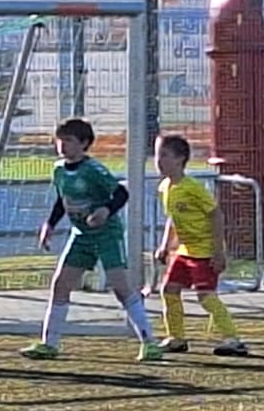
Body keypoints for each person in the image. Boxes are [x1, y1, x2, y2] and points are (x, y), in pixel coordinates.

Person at [20, 118, 162, 362]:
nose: (62, 145)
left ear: (84, 143)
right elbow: (62, 200)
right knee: (60, 285)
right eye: (59, 140)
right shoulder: (59, 170)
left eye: (68, 140)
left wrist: (105, 210)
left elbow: (121, 193)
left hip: (107, 235)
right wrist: (50, 224)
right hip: (81, 235)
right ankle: (49, 343)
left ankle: (149, 342)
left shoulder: (93, 170)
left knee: (120, 287)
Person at [154, 134, 249, 357]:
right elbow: (173, 219)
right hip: (184, 251)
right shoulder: (165, 187)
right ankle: (176, 338)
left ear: (180, 159)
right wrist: (165, 246)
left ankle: (233, 339)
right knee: (169, 290)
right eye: (157, 155)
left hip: (204, 251)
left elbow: (216, 215)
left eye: (164, 155)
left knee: (205, 296)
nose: (159, 161)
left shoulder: (192, 187)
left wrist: (218, 252)